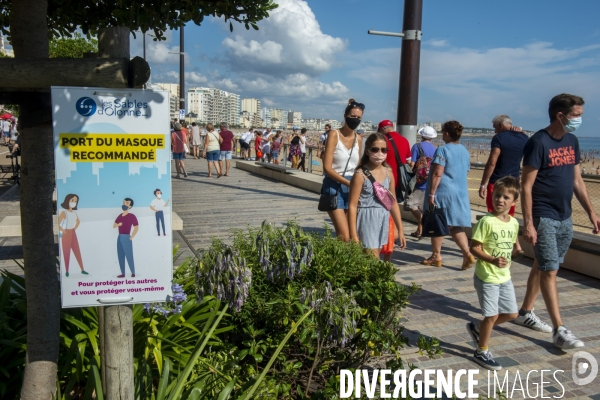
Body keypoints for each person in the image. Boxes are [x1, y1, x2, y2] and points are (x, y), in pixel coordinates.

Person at [514, 94, 599, 348]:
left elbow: (577, 181)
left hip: (565, 216)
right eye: (576, 115)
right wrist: (528, 222)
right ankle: (559, 330)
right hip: (544, 216)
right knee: (550, 271)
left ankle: (525, 313)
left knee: (542, 264)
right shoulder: (538, 142)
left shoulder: (572, 140)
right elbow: (526, 186)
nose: (580, 119)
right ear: (560, 115)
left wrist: (591, 213)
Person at [466, 177, 521, 370]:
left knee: (513, 313)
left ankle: (478, 328)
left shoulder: (514, 223)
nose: (500, 200)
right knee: (491, 315)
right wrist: (492, 260)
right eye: (497, 195)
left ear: (514, 202)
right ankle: (481, 351)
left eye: (506, 197)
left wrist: (516, 249)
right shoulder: (486, 221)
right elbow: (474, 248)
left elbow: (512, 241)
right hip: (487, 276)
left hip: (504, 276)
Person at [423, 120, 475, 270]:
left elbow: (438, 173)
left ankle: (436, 255)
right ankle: (467, 253)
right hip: (460, 192)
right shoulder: (464, 151)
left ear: (446, 133)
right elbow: (466, 170)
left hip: (444, 192)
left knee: (438, 223)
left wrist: (432, 194)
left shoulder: (443, 150)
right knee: (455, 226)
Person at [349, 133, 406, 257]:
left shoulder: (388, 173)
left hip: (383, 218)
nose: (380, 153)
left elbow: (393, 202)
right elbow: (352, 205)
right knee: (372, 257)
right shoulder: (360, 175)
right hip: (366, 218)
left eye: (384, 150)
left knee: (376, 255)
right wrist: (353, 235)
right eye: (375, 149)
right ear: (368, 151)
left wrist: (400, 229)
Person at [478, 115, 528, 254]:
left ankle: (492, 245)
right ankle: (515, 245)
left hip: (498, 182)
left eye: (495, 127)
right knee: (509, 216)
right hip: (514, 182)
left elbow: (492, 162)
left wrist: (483, 184)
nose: (494, 131)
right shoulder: (523, 137)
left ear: (501, 125)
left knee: (493, 214)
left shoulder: (499, 138)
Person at [321, 98, 364, 241]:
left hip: (352, 186)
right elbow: (327, 168)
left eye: (359, 117)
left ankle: (345, 262)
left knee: (352, 235)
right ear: (345, 116)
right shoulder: (334, 134)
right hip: (335, 184)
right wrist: (348, 183)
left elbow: (358, 166)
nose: (355, 120)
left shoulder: (358, 138)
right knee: (344, 236)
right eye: (353, 116)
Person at [378, 120, 412, 262]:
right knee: (394, 206)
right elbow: (409, 161)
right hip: (398, 181)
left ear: (383, 129)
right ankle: (394, 234)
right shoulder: (404, 140)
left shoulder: (382, 140)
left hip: (383, 180)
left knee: (383, 211)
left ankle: (386, 237)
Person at [58, 194, 88, 277]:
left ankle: (82, 269)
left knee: (77, 250)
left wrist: (74, 228)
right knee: (66, 251)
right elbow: (59, 223)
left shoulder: (74, 213)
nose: (74, 202)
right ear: (67, 201)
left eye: (75, 201)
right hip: (66, 233)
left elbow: (78, 221)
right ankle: (67, 271)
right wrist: (63, 230)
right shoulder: (64, 212)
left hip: (72, 232)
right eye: (72, 200)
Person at [113, 198, 138, 278]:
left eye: (127, 203)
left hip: (127, 236)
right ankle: (123, 273)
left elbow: (136, 227)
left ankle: (133, 272)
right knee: (120, 255)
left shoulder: (131, 216)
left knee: (129, 255)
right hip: (119, 236)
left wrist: (131, 237)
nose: (124, 204)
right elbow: (114, 225)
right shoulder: (120, 216)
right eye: (123, 202)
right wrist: (118, 224)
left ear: (130, 206)